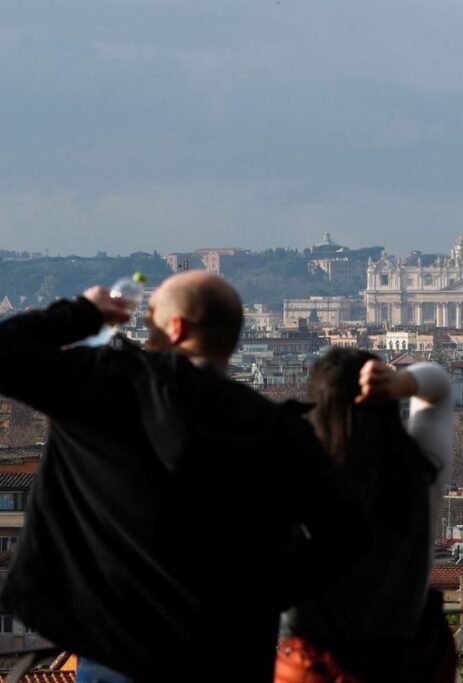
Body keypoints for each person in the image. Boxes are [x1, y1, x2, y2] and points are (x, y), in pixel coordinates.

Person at [0, 272, 357, 683]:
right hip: (228, 657)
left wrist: (81, 312)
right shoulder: (279, 429)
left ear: (177, 327)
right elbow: (348, 531)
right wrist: (264, 595)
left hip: (115, 649)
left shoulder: (101, 384)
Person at [276, 349, 455, 683]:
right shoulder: (421, 473)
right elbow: (440, 387)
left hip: (311, 668)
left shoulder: (294, 483)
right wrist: (400, 382)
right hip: (401, 665)